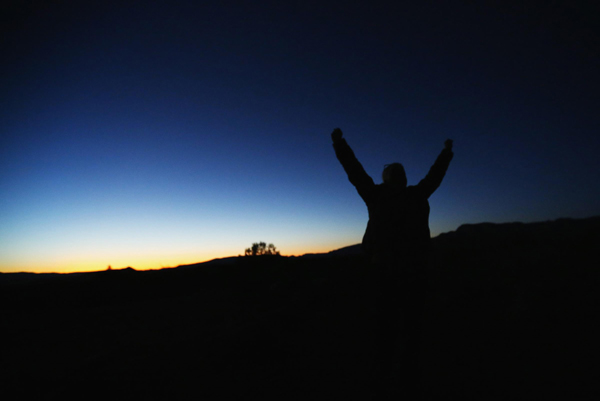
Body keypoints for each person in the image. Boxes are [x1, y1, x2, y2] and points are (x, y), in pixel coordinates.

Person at [331, 128, 453, 400]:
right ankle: (407, 378)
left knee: (385, 328)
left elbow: (355, 171)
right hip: (414, 270)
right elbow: (436, 175)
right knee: (410, 328)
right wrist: (446, 152)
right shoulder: (417, 195)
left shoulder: (377, 195)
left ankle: (384, 379)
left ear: (387, 179)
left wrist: (339, 144)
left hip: (384, 270)